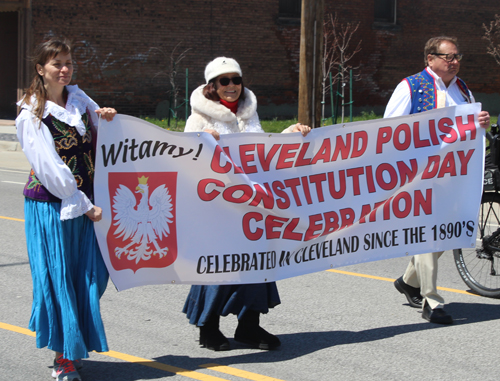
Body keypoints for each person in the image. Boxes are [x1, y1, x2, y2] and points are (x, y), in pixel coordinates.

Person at [183, 56, 311, 351]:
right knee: (218, 265)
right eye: (224, 81)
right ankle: (208, 327)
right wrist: (201, 141)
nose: (231, 86)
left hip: (252, 204)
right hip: (217, 206)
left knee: (257, 262)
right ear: (212, 86)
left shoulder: (249, 113)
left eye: (236, 80)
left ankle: (249, 327)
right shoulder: (199, 117)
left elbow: (261, 154)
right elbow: (186, 157)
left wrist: (288, 136)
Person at [16, 37, 117, 381]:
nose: (64, 69)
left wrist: (108, 119)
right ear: (40, 69)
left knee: (90, 276)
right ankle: (64, 357)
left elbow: (100, 141)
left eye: (68, 63)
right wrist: (85, 205)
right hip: (53, 207)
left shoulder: (80, 100)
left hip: (85, 204)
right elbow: (50, 168)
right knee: (60, 280)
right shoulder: (32, 114)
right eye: (56, 63)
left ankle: (68, 342)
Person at [384, 36, 490, 324]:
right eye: (448, 57)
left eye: (457, 56)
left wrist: (480, 122)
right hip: (420, 176)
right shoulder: (411, 87)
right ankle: (432, 300)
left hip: (454, 174)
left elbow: (467, 125)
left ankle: (409, 280)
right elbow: (389, 129)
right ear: (430, 58)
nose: (454, 62)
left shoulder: (462, 88)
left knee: (448, 231)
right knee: (428, 233)